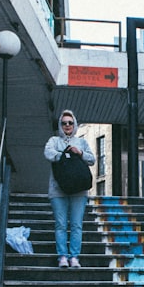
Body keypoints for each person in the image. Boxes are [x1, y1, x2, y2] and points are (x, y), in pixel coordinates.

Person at [43, 109, 95, 268]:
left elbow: (92, 159)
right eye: (64, 123)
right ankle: (62, 256)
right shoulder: (54, 140)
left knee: (76, 224)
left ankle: (74, 257)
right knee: (60, 224)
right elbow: (48, 153)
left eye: (70, 123)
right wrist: (63, 153)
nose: (67, 125)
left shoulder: (82, 142)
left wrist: (79, 153)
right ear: (60, 125)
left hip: (79, 190)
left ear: (75, 125)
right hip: (58, 190)